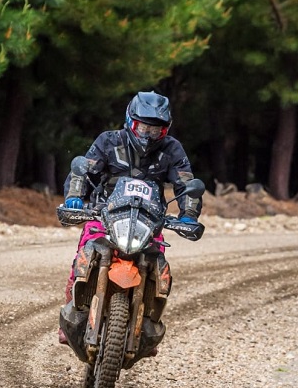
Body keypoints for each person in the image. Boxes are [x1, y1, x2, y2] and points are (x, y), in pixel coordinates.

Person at [58, 90, 202, 345]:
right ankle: (72, 311)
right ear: (130, 121)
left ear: (165, 130)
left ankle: (148, 323)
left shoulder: (172, 149)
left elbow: (185, 183)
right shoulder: (108, 141)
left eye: (155, 130)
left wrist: (189, 215)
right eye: (143, 128)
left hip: (149, 221)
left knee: (159, 266)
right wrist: (74, 198)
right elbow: (83, 170)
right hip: (104, 214)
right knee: (83, 254)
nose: (148, 135)